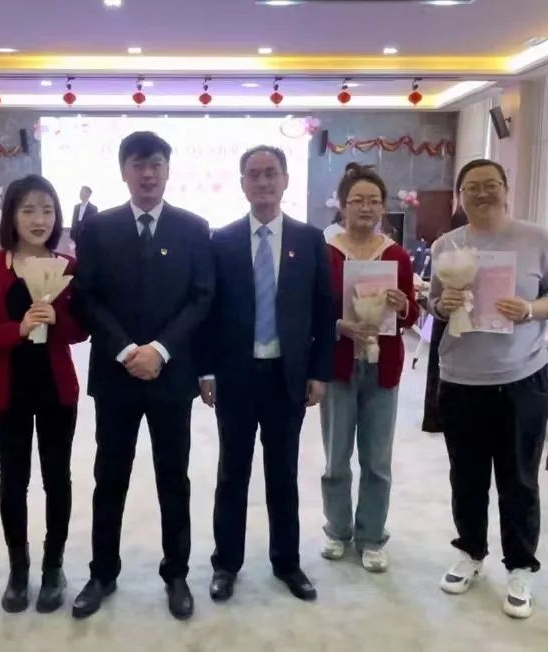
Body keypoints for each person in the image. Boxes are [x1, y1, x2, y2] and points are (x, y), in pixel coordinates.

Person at [71, 131, 215, 620]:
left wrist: (161, 349)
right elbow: (86, 297)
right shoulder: (98, 228)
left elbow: (202, 296)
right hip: (116, 376)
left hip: (171, 377)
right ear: (123, 172)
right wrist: (128, 349)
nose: (148, 173)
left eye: (156, 164)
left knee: (173, 478)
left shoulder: (193, 228)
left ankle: (177, 573)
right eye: (138, 164)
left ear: (168, 170)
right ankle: (102, 573)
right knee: (109, 477)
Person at [430, 159, 548, 619]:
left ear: (506, 189)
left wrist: (530, 309)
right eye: (471, 187)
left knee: (519, 480)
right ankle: (470, 552)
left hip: (521, 378)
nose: (481, 193)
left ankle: (520, 567)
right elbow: (434, 305)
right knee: (466, 477)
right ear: (459, 196)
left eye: (490, 185)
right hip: (462, 378)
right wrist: (443, 303)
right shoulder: (446, 244)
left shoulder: (536, 238)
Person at [198, 146, 333, 603]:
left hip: (286, 376)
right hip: (235, 376)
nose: (262, 182)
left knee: (283, 474)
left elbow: (323, 310)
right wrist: (206, 370)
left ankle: (287, 562)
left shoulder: (309, 239)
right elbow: (209, 312)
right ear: (242, 183)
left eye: (270, 173)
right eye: (253, 175)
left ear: (285, 180)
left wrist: (319, 372)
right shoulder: (222, 240)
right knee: (231, 474)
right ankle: (225, 564)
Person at [0, 174, 88, 614]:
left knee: (57, 478)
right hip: (8, 389)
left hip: (56, 388)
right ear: (12, 216)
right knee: (13, 480)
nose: (39, 219)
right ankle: (19, 570)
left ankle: (54, 567)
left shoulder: (67, 266)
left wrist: (59, 321)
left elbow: (82, 329)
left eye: (48, 210)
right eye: (29, 210)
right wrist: (16, 329)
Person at [319, 164, 418, 573]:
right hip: (339, 367)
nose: (366, 207)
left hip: (383, 368)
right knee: (336, 458)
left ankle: (372, 536)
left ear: (383, 207)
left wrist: (403, 305)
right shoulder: (325, 252)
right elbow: (311, 310)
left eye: (374, 201)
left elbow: (411, 315)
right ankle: (338, 530)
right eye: (357, 200)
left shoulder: (396, 255)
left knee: (377, 460)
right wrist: (338, 325)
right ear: (342, 205)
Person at [421, 205, 469, 433]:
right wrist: (441, 304)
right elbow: (433, 298)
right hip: (449, 317)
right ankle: (437, 414)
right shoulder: (445, 244)